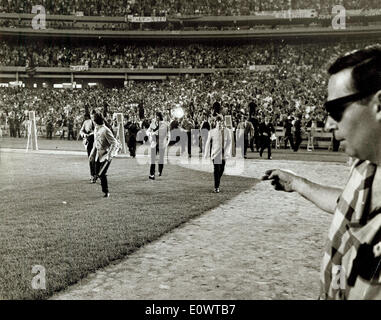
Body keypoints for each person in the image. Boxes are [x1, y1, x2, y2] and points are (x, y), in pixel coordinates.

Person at [263, 46, 381, 300]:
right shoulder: (365, 164)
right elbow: (346, 204)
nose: (328, 123)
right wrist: (297, 183)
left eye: (337, 110)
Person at [89, 112, 118, 198]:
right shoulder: (96, 129)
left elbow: (114, 143)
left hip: (106, 155)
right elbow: (96, 140)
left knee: (102, 173)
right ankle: (98, 181)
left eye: (93, 119)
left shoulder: (105, 130)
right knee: (98, 173)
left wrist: (109, 155)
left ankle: (106, 192)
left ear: (96, 121)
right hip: (99, 155)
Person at [204, 115, 232, 193]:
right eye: (218, 121)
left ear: (223, 122)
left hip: (224, 154)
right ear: (215, 122)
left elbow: (229, 142)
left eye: (221, 121)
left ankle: (217, 181)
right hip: (215, 154)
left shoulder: (227, 131)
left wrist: (228, 152)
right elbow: (207, 143)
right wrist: (206, 154)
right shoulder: (212, 132)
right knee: (217, 169)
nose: (219, 123)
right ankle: (216, 187)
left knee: (221, 170)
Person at [147, 112, 170, 180]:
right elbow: (147, 132)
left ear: (160, 117)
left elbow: (168, 134)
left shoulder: (165, 124)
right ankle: (152, 174)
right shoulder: (152, 124)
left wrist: (166, 143)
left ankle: (160, 170)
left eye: (157, 116)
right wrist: (152, 133)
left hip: (162, 143)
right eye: (155, 116)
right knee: (153, 159)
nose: (156, 117)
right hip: (154, 143)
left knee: (161, 159)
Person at [80, 112, 96, 181]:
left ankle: (97, 173)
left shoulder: (99, 123)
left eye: (94, 116)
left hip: (97, 141)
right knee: (91, 158)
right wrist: (84, 135)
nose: (93, 118)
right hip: (89, 141)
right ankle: (92, 174)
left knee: (97, 159)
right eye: (92, 116)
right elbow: (81, 131)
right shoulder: (86, 122)